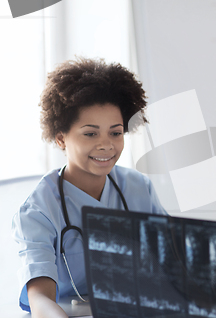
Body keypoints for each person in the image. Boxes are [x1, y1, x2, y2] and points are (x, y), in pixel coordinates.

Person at [11, 57, 167, 318]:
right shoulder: (39, 210)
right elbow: (40, 299)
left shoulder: (139, 188)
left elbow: (170, 263)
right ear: (61, 138)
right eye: (90, 133)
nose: (106, 145)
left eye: (115, 133)